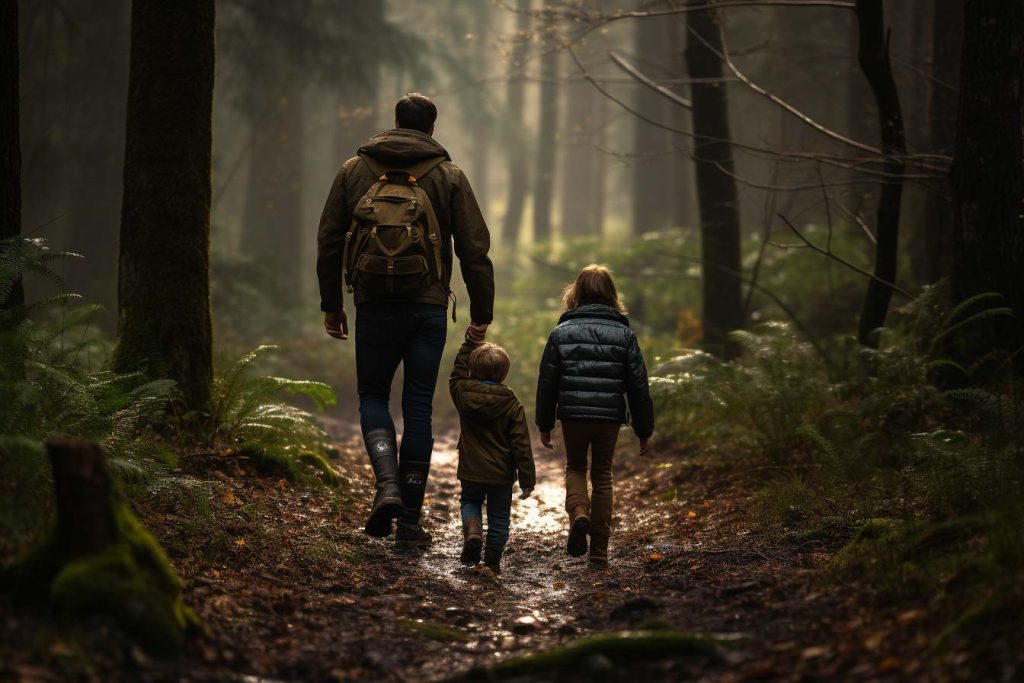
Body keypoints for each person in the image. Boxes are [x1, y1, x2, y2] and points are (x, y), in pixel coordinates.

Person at [316, 93, 494, 548]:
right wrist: (481, 314)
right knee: (417, 408)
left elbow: (330, 241)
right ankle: (410, 526)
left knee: (373, 395)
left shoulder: (354, 171)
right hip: (427, 306)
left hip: (372, 305)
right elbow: (475, 250)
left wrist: (331, 303)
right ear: (431, 129)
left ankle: (387, 485)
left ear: (395, 123)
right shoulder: (448, 175)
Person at [535, 265, 655, 565]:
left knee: (576, 468)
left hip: (573, 416)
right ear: (611, 295)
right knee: (602, 477)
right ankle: (599, 552)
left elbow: (547, 381)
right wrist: (644, 429)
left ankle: (579, 513)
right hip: (608, 419)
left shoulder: (560, 333)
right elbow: (638, 385)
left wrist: (545, 423)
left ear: (577, 292)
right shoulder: (625, 335)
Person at [449, 337, 535, 573]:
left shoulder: (463, 392)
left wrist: (468, 344)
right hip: (501, 474)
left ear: (473, 369)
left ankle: (473, 533)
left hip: (471, 469)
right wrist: (527, 480)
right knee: (499, 518)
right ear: (504, 372)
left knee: (469, 501)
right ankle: (492, 563)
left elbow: (456, 374)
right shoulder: (512, 402)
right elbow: (521, 443)